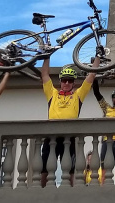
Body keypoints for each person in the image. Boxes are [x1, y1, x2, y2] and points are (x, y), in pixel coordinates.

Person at [40, 59, 97, 187]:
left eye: (70, 80)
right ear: (60, 81)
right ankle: (41, 194)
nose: (66, 83)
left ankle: (71, 197)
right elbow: (44, 75)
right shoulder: (53, 93)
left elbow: (91, 76)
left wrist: (97, 57)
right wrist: (47, 56)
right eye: (64, 80)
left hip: (69, 138)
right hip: (51, 136)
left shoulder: (77, 96)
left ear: (73, 83)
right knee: (44, 168)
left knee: (71, 170)